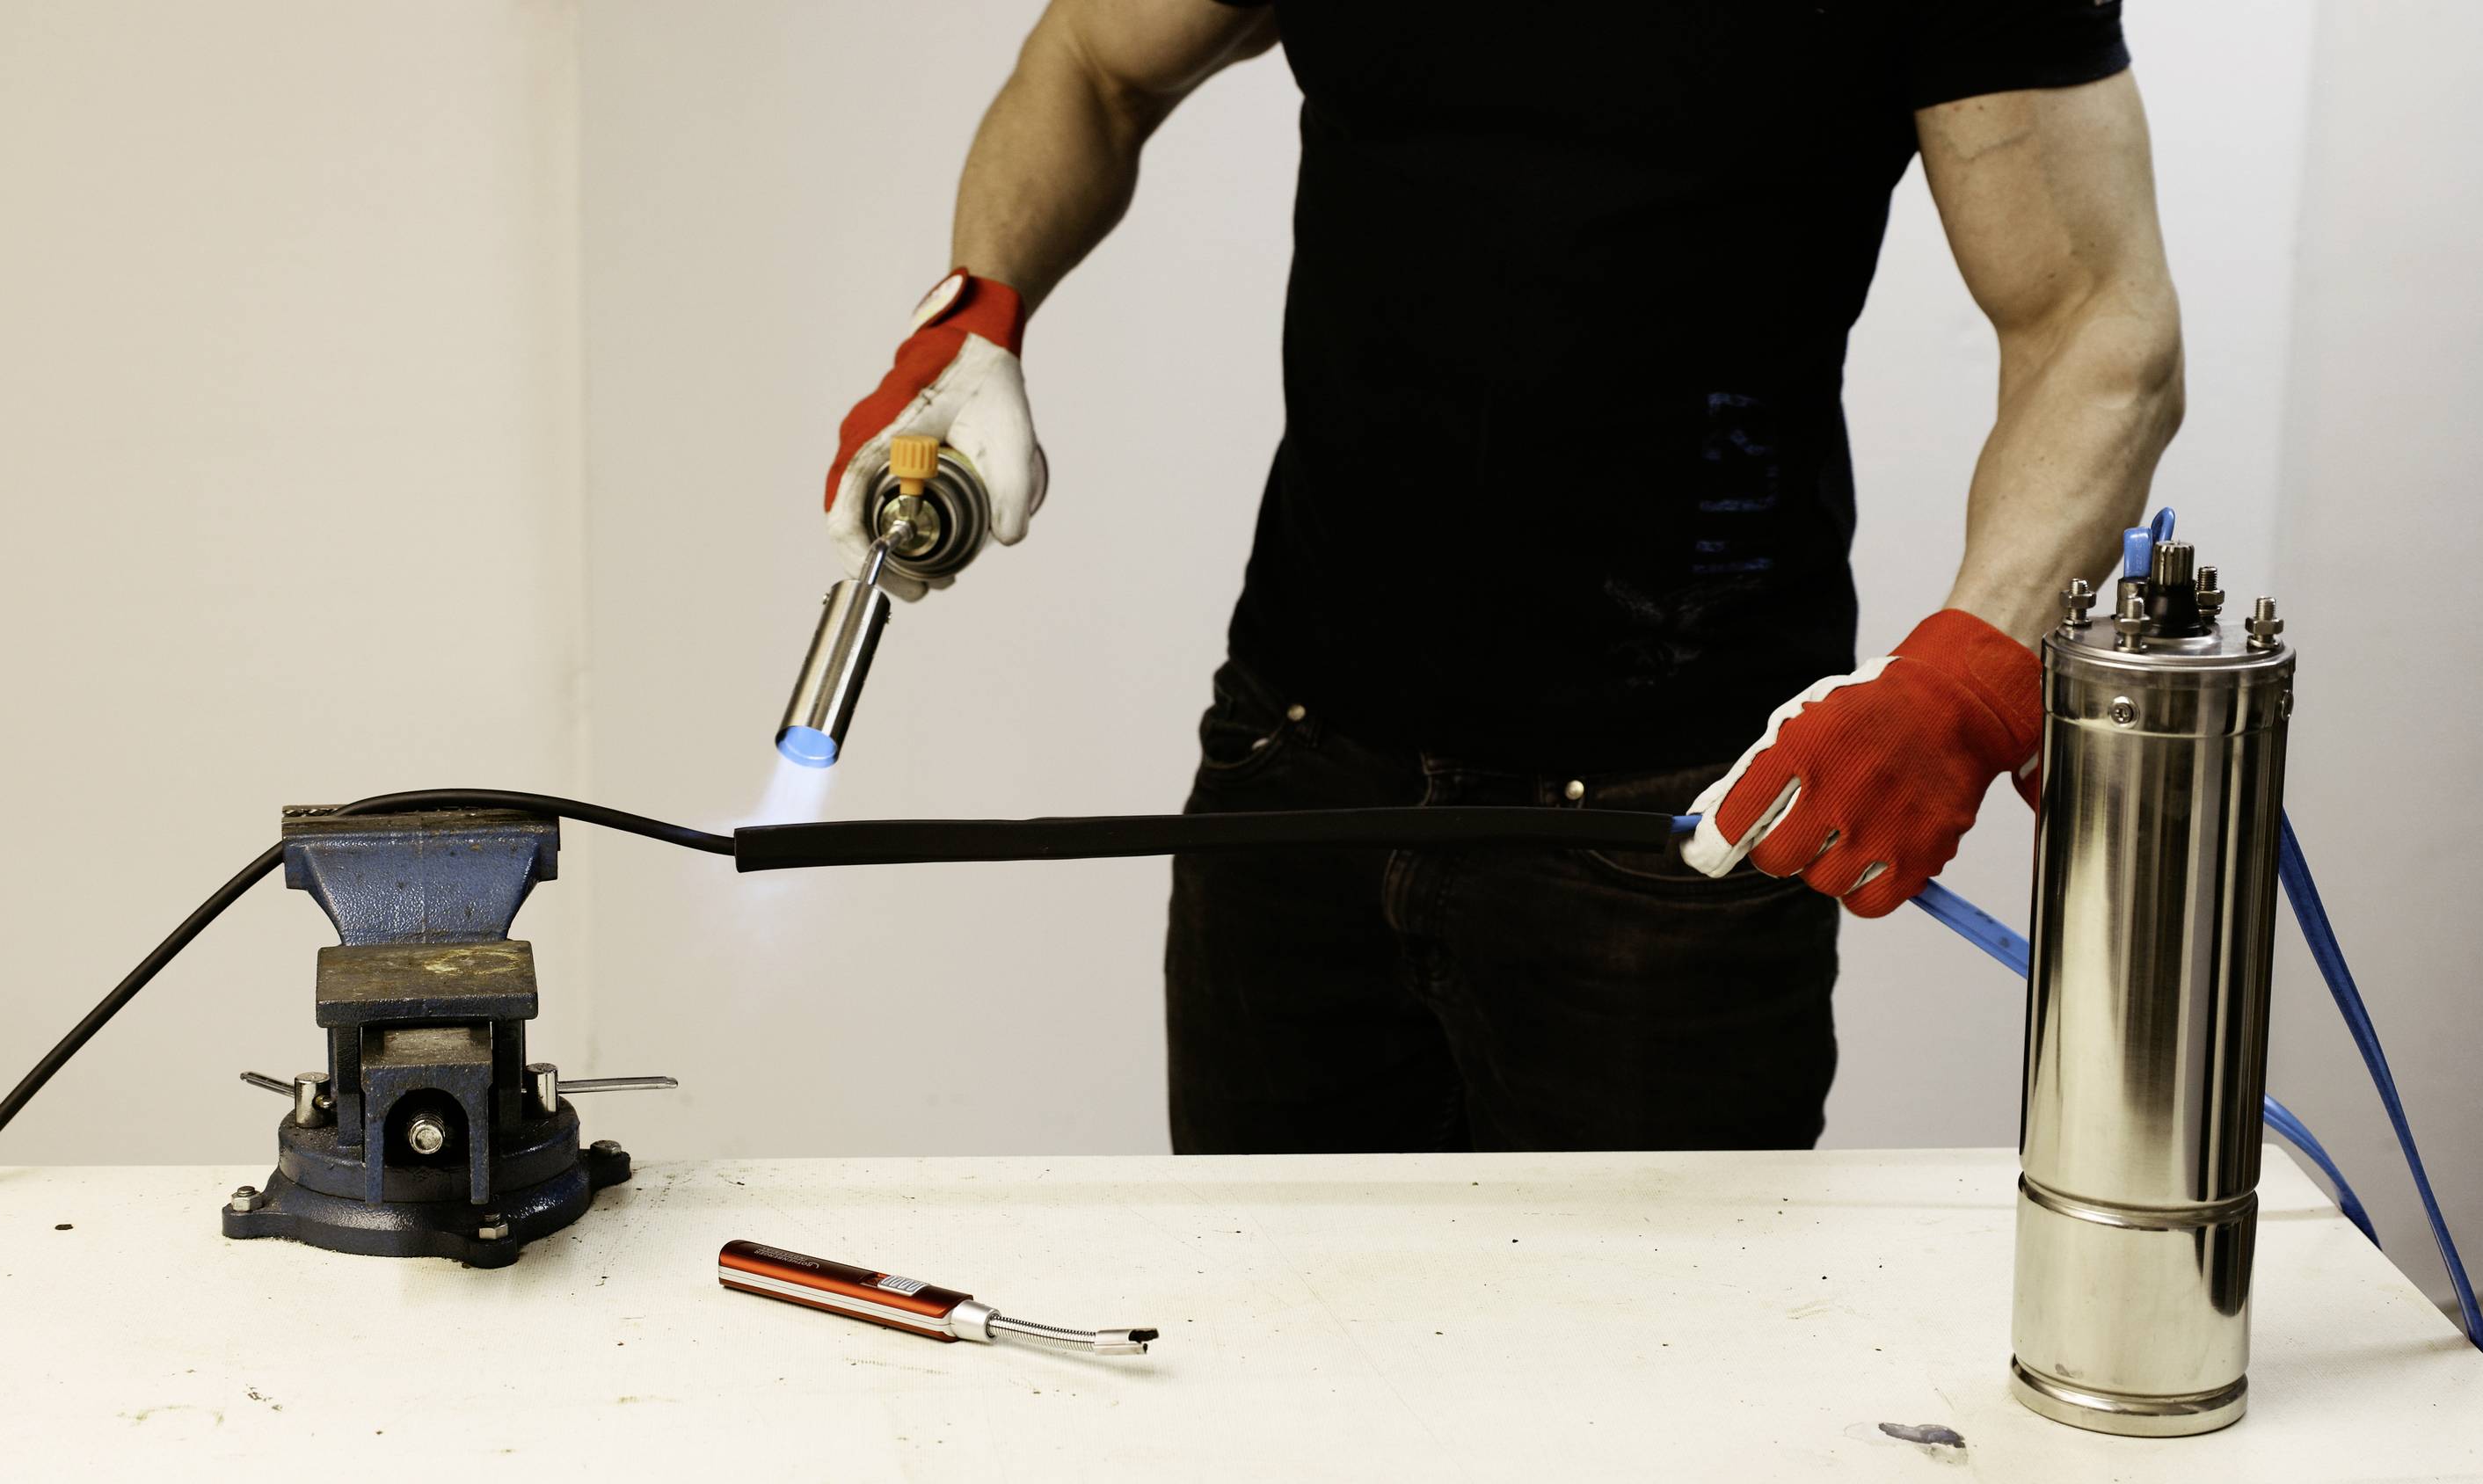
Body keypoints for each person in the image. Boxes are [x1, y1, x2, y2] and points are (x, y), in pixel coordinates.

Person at [821, 2, 2181, 1154]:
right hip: (1298, 771)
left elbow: (2097, 324)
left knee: (1653, 1376)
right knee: (1261, 1357)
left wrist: (1964, 681)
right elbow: (1093, 59)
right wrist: (974, 315)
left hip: (1670, 831)